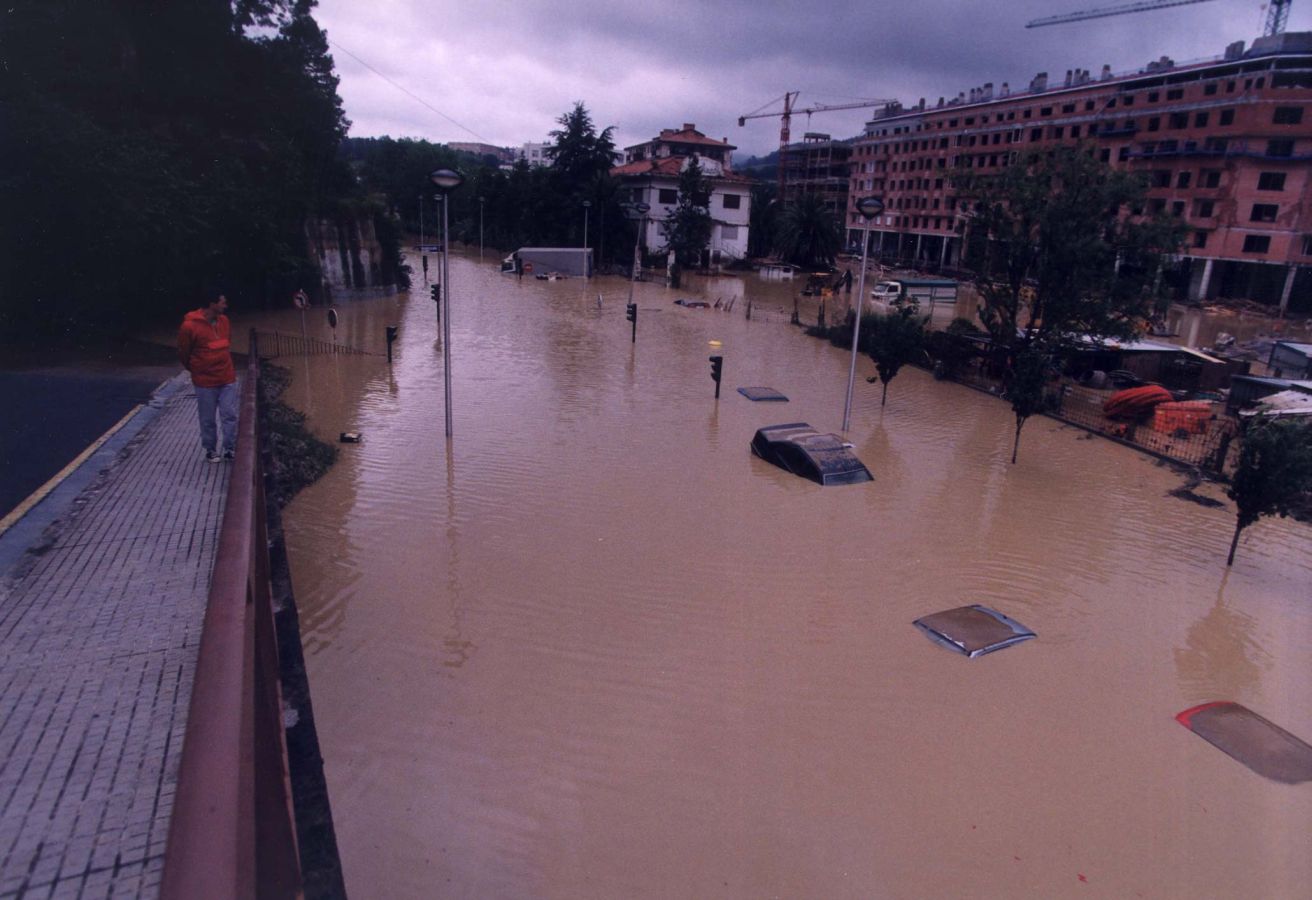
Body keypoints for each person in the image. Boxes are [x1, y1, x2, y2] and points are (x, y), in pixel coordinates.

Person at [177, 288, 238, 462]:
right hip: (205, 382)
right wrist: (196, 369)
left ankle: (230, 448)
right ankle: (210, 449)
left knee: (229, 414)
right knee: (207, 418)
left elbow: (227, 344)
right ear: (212, 304)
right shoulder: (189, 326)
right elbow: (183, 353)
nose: (225, 305)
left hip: (227, 377)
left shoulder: (225, 321)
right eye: (222, 302)